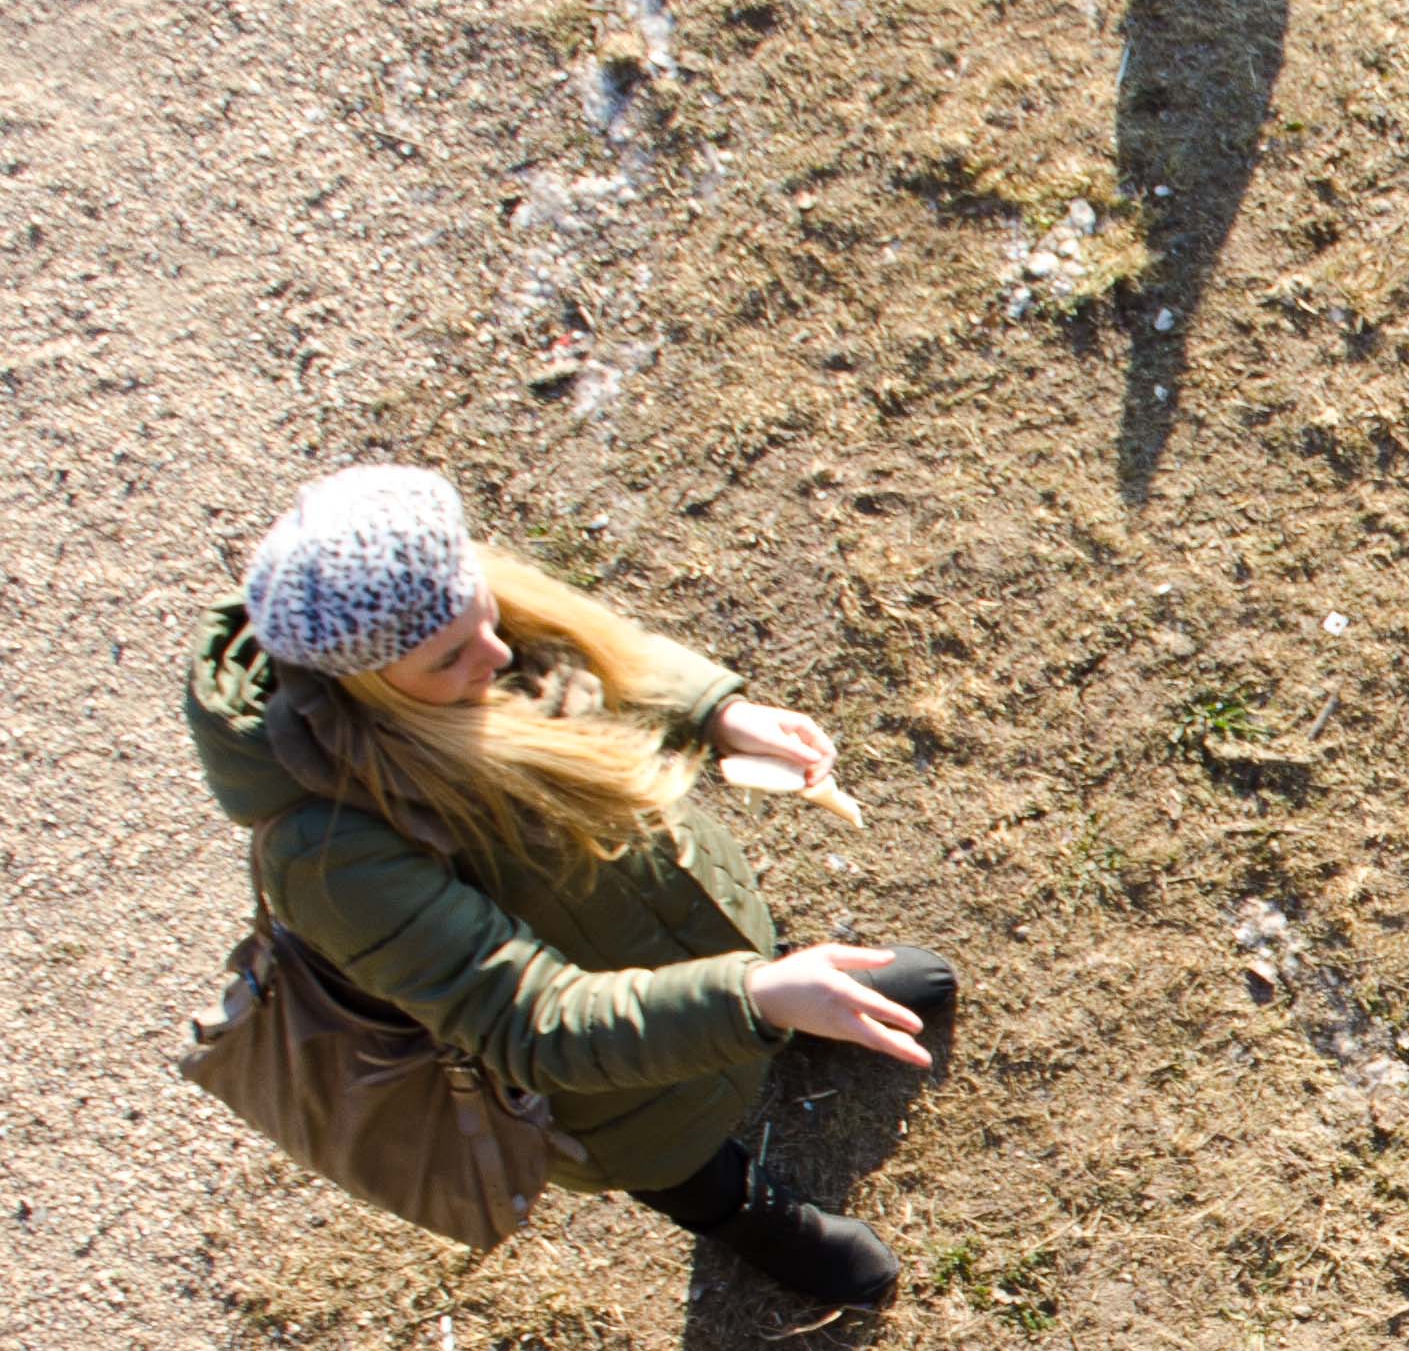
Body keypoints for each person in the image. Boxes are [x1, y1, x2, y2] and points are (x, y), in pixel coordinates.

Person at [187, 464, 950, 1305]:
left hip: (676, 924)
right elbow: (537, 1024)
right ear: (364, 687)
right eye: (453, 658)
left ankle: (785, 1010)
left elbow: (590, 651)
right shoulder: (330, 851)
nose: (500, 654)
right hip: (606, 1084)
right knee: (673, 1156)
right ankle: (754, 1218)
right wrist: (757, 996)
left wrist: (710, 710)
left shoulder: (451, 633)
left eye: (487, 615)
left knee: (749, 995)